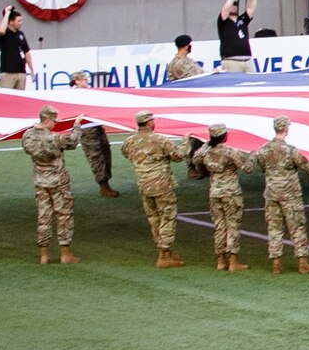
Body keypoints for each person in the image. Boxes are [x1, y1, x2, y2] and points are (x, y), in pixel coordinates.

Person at [255, 116, 309, 275]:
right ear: (286, 129)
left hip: (272, 193)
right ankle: (303, 263)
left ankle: (276, 264)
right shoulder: (291, 150)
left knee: (274, 228)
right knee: (297, 227)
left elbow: (262, 167)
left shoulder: (263, 150)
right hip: (290, 195)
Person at [121, 111, 190, 268]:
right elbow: (178, 156)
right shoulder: (159, 140)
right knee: (167, 218)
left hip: (144, 185)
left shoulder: (129, 141)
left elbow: (126, 154)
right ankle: (164, 255)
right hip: (162, 185)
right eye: (152, 120)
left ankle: (164, 251)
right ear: (148, 122)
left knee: (154, 219)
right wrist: (186, 142)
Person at [19, 106, 81, 265]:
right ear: (47, 120)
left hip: (40, 181)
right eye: (54, 120)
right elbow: (73, 142)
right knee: (63, 215)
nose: (55, 123)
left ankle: (44, 254)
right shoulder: (54, 138)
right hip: (58, 182)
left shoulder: (28, 136)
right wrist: (77, 125)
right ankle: (65, 254)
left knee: (43, 216)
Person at [192, 122, 253, 272]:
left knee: (219, 226)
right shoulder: (230, 152)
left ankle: (220, 260)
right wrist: (252, 156)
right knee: (232, 225)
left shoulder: (205, 152)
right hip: (231, 192)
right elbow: (247, 169)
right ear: (224, 136)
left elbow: (195, 159)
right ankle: (233, 261)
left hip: (215, 192)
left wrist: (207, 145)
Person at [67, 70, 119, 197]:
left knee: (105, 151)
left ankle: (106, 182)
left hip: (96, 125)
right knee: (95, 156)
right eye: (84, 79)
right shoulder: (72, 94)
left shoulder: (89, 92)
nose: (87, 81)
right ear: (77, 81)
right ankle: (103, 185)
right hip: (86, 128)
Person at [217, 0, 254, 73]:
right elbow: (225, 10)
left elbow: (251, 9)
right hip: (231, 61)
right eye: (232, 5)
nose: (234, 7)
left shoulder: (242, 20)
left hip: (247, 60)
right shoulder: (224, 21)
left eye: (235, 5)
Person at [0, 5, 32, 90]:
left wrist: (32, 70)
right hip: (8, 73)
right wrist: (7, 13)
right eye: (19, 21)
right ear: (11, 22)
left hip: (21, 72)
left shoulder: (20, 34)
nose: (21, 22)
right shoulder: (4, 33)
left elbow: (26, 52)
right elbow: (1, 31)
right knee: (7, 99)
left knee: (20, 100)